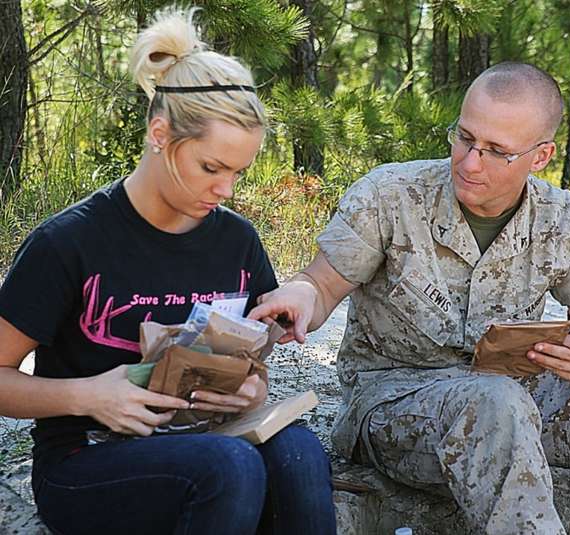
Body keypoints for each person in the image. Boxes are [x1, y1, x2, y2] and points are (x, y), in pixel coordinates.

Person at [0, 8, 336, 535]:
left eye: (238, 172)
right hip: (87, 458)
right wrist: (87, 395)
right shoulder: (67, 242)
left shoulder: (237, 241)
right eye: (211, 167)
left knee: (299, 451)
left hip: (205, 439)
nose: (225, 189)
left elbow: (252, 355)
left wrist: (252, 390)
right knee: (230, 468)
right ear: (160, 133)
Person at [249, 62, 570, 534]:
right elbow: (321, 285)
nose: (470, 162)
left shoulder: (562, 218)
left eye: (496, 151)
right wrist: (300, 297)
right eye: (464, 138)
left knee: (507, 400)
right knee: (495, 404)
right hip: (394, 405)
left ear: (540, 156)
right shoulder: (391, 196)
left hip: (515, 398)